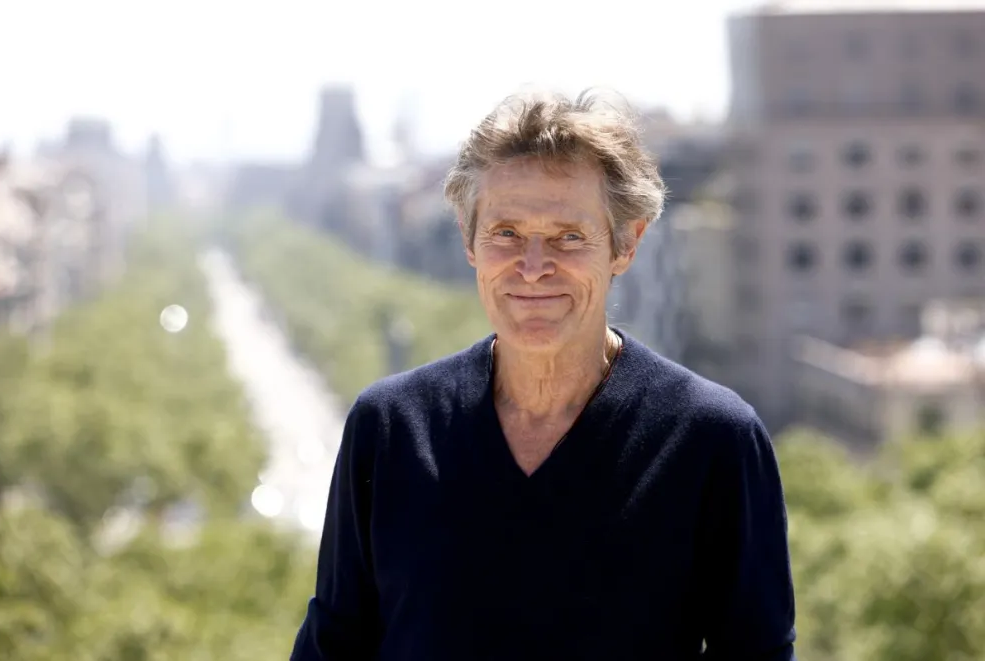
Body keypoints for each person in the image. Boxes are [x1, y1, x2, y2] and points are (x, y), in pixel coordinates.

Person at [290, 88, 797, 661]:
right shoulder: (388, 429)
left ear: (625, 244)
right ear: (468, 240)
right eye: (506, 232)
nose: (533, 267)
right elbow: (333, 646)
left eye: (568, 236)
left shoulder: (714, 440)